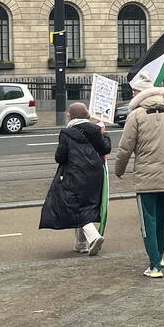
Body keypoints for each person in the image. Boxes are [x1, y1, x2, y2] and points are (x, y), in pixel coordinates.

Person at [114, 71, 164, 278]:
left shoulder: (136, 116)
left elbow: (125, 148)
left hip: (146, 179)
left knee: (148, 221)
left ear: (138, 93)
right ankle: (160, 256)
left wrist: (118, 170)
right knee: (160, 219)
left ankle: (155, 264)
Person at [39, 102, 110, 256]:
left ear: (72, 115)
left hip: (75, 174)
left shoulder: (66, 133)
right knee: (86, 204)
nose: (67, 115)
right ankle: (81, 244)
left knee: (74, 205)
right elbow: (105, 149)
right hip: (95, 174)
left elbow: (60, 157)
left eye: (68, 113)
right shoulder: (96, 130)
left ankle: (93, 236)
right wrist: (105, 134)